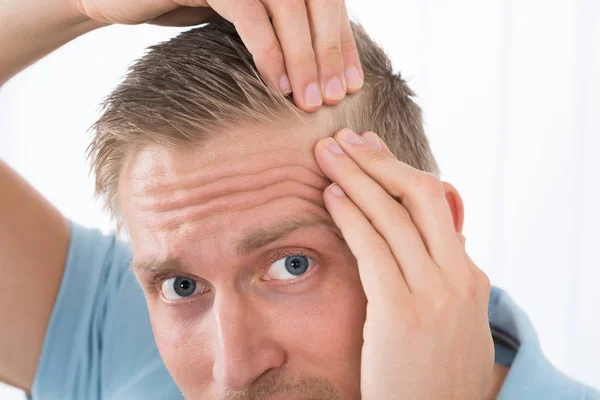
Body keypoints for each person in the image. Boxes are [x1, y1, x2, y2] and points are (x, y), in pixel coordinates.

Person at [0, 1, 598, 399]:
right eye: (183, 286)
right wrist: (73, 5)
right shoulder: (125, 337)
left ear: (429, 230)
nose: (232, 369)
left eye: (292, 264)